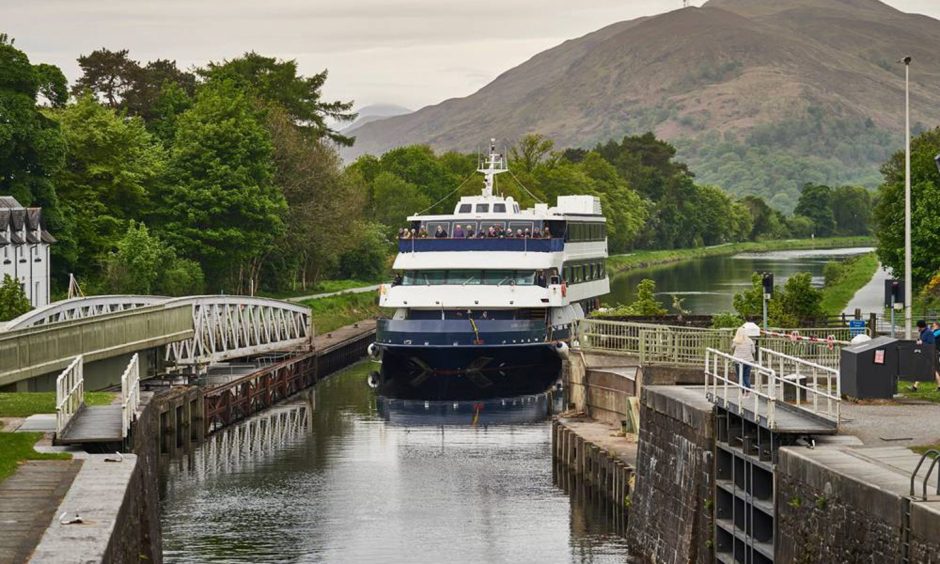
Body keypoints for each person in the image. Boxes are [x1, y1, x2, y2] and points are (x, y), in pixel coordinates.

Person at [731, 326, 755, 394]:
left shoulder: (736, 341)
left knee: (740, 376)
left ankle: (743, 389)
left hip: (738, 361)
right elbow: (753, 351)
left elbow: (732, 347)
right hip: (748, 361)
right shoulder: (750, 340)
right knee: (746, 376)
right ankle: (748, 389)